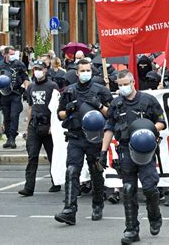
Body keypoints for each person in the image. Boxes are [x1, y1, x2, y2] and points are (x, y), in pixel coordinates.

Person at [100, 70, 166, 244]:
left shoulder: (148, 100)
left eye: (125, 84)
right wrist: (103, 151)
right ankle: (131, 229)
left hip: (145, 150)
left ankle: (154, 216)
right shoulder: (116, 104)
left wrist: (147, 129)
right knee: (128, 190)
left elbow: (161, 122)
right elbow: (109, 128)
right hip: (124, 150)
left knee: (150, 187)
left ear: (133, 82)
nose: (122, 87)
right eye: (119, 85)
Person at [54, 58, 113, 225]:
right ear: (77, 73)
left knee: (96, 172)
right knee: (72, 171)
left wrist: (100, 106)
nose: (85, 73)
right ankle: (69, 210)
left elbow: (111, 114)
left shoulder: (101, 90)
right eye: (83, 71)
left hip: (95, 138)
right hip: (76, 136)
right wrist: (69, 109)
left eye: (88, 70)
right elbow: (60, 115)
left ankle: (97, 205)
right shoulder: (69, 91)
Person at [18, 60, 60, 196]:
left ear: (45, 70)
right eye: (35, 69)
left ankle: (56, 182)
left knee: (52, 156)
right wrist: (28, 127)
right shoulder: (31, 86)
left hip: (48, 126)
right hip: (35, 125)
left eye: (39, 69)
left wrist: (53, 126)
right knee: (32, 156)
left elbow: (56, 107)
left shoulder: (52, 86)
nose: (37, 71)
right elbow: (30, 107)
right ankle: (29, 187)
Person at [0, 46, 29, 149]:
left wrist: (28, 89)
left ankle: (12, 138)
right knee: (6, 117)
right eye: (10, 54)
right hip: (4, 94)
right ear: (4, 54)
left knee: (14, 115)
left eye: (14, 54)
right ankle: (8, 137)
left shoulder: (19, 64)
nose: (12, 56)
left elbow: (25, 77)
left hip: (16, 93)